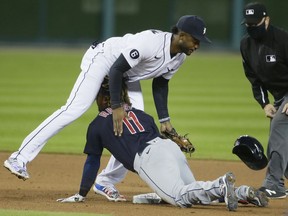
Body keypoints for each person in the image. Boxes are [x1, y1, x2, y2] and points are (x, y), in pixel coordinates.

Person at [4, 15, 211, 201]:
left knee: (136, 125)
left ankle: (105, 181)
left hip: (127, 73)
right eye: (196, 40)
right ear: (182, 36)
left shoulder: (180, 56)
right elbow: (116, 69)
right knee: (74, 108)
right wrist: (117, 105)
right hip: (104, 60)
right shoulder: (150, 42)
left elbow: (160, 83)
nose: (197, 45)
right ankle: (19, 157)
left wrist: (165, 120)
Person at [56, 77, 269, 211]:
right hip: (168, 149)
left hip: (149, 159)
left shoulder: (96, 125)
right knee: (194, 193)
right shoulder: (140, 114)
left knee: (179, 197)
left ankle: (220, 184)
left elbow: (93, 162)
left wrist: (81, 194)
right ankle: (243, 193)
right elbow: (156, 136)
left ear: (103, 99)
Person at [240, 2, 288, 199]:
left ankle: (274, 184)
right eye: (249, 25)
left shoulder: (283, 39)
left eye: (256, 24)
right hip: (277, 97)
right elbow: (254, 78)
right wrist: (264, 103)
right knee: (281, 138)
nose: (252, 28)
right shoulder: (246, 45)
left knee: (278, 128)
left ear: (266, 20)